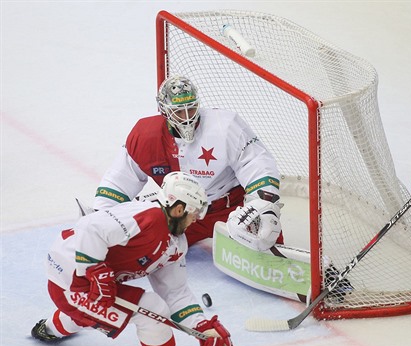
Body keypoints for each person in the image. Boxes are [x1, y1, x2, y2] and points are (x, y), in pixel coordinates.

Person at [31, 172, 233, 346]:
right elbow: (90, 227)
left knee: (96, 310)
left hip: (86, 289)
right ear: (179, 209)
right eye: (194, 214)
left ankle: (49, 329)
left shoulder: (176, 244)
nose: (196, 220)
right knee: (153, 310)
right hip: (69, 279)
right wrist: (95, 270)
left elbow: (176, 293)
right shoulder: (149, 216)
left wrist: (203, 328)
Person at [93, 75, 283, 252]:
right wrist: (101, 217)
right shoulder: (145, 136)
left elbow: (256, 163)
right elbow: (119, 180)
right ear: (163, 110)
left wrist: (263, 204)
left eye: (191, 108)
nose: (187, 117)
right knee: (130, 246)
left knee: (265, 235)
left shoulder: (225, 126)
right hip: (180, 214)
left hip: (232, 209)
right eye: (178, 111)